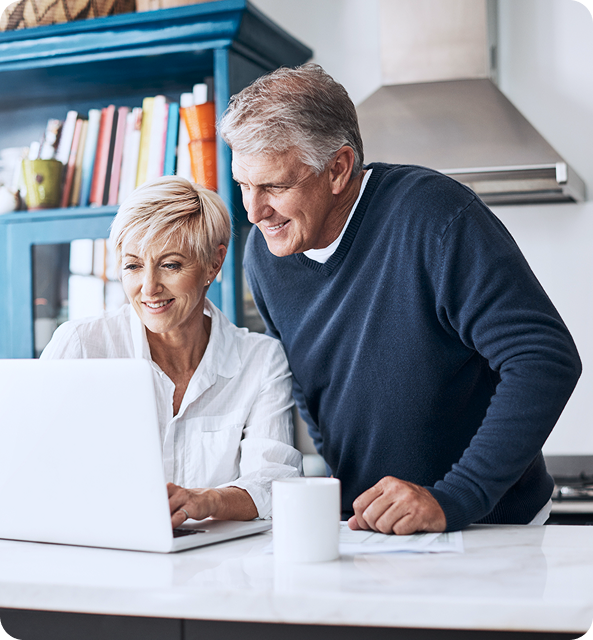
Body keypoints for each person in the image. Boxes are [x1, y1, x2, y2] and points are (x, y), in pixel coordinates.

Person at [218, 63, 582, 535]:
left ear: (338, 169)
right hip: (368, 529)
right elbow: (309, 388)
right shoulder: (264, 257)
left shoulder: (436, 217)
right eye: (244, 184)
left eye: (274, 186)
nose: (254, 210)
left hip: (488, 527)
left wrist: (455, 496)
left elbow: (544, 358)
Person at [41, 176, 302, 528]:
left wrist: (205, 499)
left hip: (217, 570)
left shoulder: (260, 361)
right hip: (104, 553)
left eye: (170, 265)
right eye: (133, 266)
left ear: (213, 263)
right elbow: (34, 468)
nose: (148, 288)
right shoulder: (82, 346)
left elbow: (276, 484)